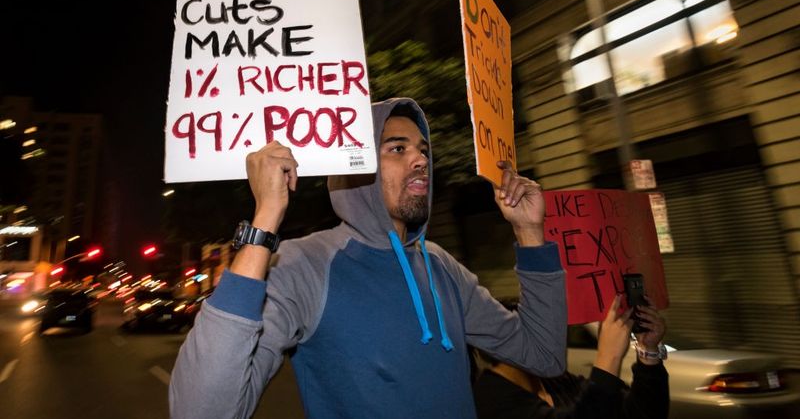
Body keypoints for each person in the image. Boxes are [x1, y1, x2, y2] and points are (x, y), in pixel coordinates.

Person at [169, 98, 568, 419]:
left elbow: (544, 356)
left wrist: (529, 233)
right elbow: (200, 411)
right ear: (355, 163)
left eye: (423, 150)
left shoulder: (442, 267)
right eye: (398, 148)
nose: (421, 161)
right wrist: (266, 217)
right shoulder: (304, 265)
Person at [473, 295, 669, 419]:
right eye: (542, 333)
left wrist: (648, 351)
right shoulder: (491, 400)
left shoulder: (554, 380)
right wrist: (608, 356)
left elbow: (640, 413)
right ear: (511, 344)